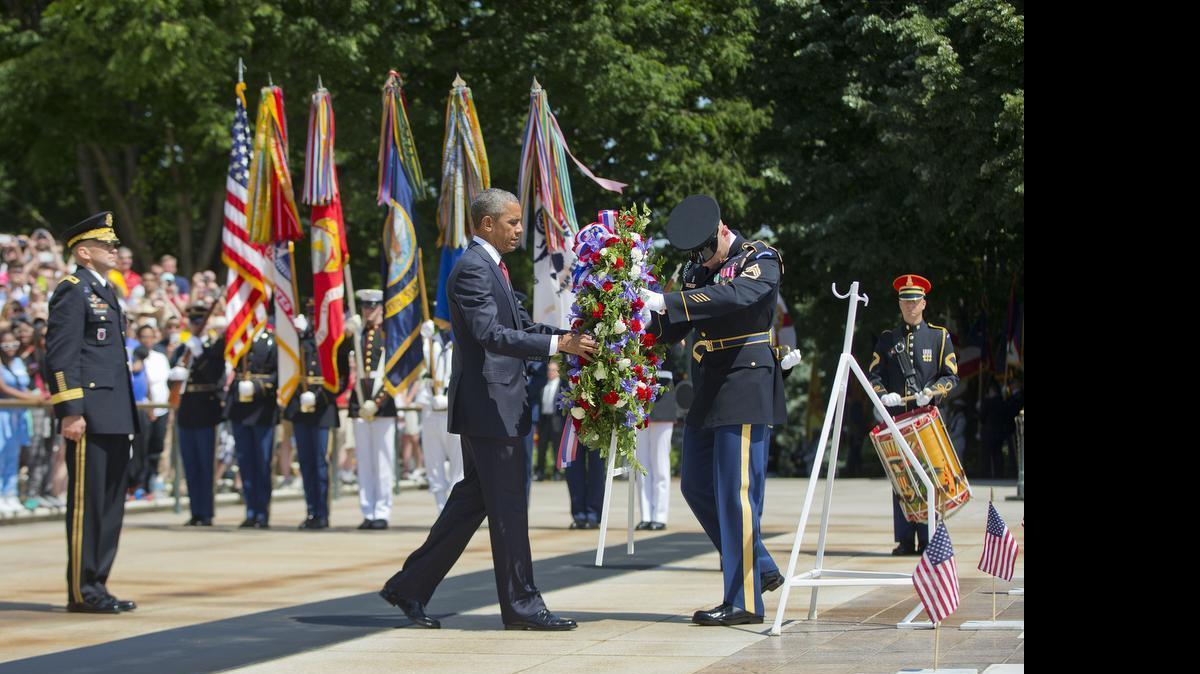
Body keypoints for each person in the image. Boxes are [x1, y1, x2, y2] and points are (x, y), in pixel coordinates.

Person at [378, 188, 597, 631]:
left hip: (498, 406)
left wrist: (576, 336)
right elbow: (490, 335)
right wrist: (559, 345)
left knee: (471, 503)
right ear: (487, 224)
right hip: (491, 408)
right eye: (513, 222)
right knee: (510, 508)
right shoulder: (471, 270)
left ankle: (408, 586)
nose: (519, 229)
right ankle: (523, 607)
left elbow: (523, 326)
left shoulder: (492, 267)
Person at [639, 195, 799, 627]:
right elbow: (675, 326)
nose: (702, 262)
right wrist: (634, 323)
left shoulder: (759, 258)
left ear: (722, 232)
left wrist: (668, 301)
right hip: (708, 387)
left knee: (736, 494)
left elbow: (734, 297)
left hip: (745, 383)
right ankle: (760, 568)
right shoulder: (697, 269)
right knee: (696, 486)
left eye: (707, 252)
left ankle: (745, 600)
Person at [44, 212, 141, 613]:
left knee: (110, 505)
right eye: (107, 244)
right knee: (88, 505)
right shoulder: (73, 290)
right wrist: (70, 409)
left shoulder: (106, 291)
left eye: (115, 244)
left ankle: (99, 583)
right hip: (90, 415)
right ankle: (83, 590)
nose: (114, 250)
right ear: (84, 252)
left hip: (116, 412)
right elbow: (62, 354)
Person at [866, 274, 959, 556]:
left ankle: (930, 536)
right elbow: (874, 375)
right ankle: (905, 538)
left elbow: (951, 376)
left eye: (914, 301)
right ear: (900, 304)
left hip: (927, 421)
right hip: (898, 420)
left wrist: (932, 392)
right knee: (902, 479)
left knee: (930, 478)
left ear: (923, 303)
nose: (910, 306)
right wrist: (883, 395)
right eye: (905, 301)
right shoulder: (888, 339)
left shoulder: (938, 337)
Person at [284, 311, 349, 530]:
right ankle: (311, 510)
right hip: (301, 410)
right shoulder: (298, 340)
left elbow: (341, 378)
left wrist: (320, 395)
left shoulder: (332, 342)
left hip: (322, 409)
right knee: (306, 462)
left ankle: (322, 512)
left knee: (320, 462)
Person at [169, 305, 226, 526]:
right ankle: (195, 511)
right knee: (190, 464)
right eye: (193, 322)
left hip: (205, 409)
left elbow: (215, 376)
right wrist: (173, 376)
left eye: (199, 322)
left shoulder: (213, 347)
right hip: (186, 410)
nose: (196, 326)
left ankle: (207, 512)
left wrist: (200, 354)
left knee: (205, 464)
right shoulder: (183, 348)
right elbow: (173, 378)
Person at [349, 289, 399, 529]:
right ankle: (367, 510)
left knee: (383, 461)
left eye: (372, 307)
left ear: (381, 308)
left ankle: (382, 511)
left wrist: (377, 401)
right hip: (359, 403)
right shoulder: (358, 334)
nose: (367, 311)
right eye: (365, 307)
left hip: (382, 404)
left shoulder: (389, 336)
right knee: (365, 462)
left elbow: (392, 374)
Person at [225, 324, 277, 529]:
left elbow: (279, 373)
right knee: (245, 463)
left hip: (262, 409)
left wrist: (258, 386)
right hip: (240, 408)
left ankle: (262, 512)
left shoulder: (272, 339)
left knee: (262, 463)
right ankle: (250, 510)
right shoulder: (239, 339)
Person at [418, 319, 463, 511]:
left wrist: (451, 400)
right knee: (433, 462)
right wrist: (420, 342)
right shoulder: (430, 342)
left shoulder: (462, 341)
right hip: (430, 409)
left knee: (458, 465)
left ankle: (457, 510)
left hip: (454, 409)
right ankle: (440, 508)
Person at [635, 353, 680, 531]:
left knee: (660, 462)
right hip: (639, 394)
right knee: (642, 463)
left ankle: (660, 515)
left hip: (662, 393)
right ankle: (646, 515)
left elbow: (677, 358)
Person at [0, 328, 41, 515]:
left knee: (14, 455)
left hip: (19, 414)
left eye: (13, 344)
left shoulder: (18, 362)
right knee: (2, 454)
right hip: (3, 414)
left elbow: (26, 384)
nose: (10, 348)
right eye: (6, 344)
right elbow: (5, 388)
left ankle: (11, 493)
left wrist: (34, 395)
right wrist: (29, 398)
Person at [534, 360, 563, 482]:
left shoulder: (562, 385)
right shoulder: (543, 384)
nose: (550, 372)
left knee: (557, 448)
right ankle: (540, 472)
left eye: (553, 370)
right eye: (549, 370)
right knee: (542, 448)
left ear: (558, 372)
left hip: (556, 420)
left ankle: (557, 473)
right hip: (544, 420)